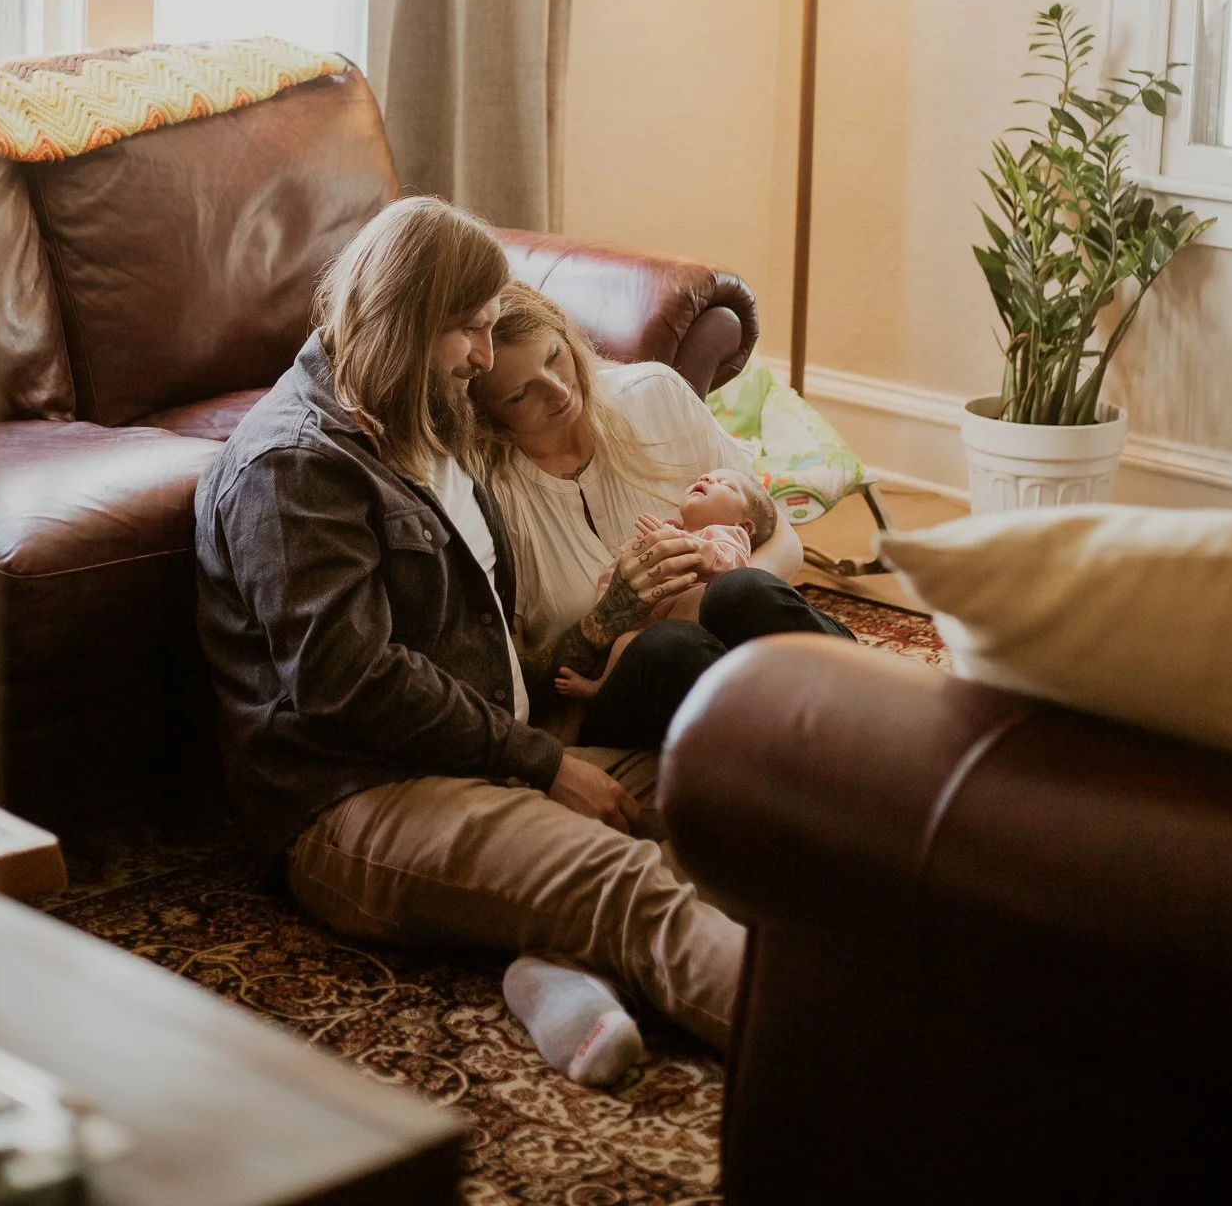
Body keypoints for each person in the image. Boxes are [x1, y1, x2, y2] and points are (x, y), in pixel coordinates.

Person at [193, 197, 744, 1089]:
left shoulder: (428, 428)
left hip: (481, 752)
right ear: (404, 321)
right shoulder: (292, 467)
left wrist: (595, 639)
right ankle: (852, 1058)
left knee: (735, 798)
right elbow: (347, 680)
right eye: (469, 332)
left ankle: (559, 971)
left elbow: (473, 643)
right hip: (356, 798)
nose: (484, 360)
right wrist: (540, 763)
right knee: (628, 883)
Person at [471, 282, 855, 749]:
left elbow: (783, 539)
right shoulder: (487, 493)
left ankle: (871, 715)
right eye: (519, 395)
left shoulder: (654, 394)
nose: (558, 391)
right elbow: (506, 682)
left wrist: (714, 584)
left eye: (555, 357)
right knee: (669, 647)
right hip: (618, 696)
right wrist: (609, 616)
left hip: (731, 647)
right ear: (486, 414)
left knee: (740, 591)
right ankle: (822, 755)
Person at [553, 467, 775, 705]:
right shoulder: (663, 530)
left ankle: (599, 691)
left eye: (726, 484)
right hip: (649, 632)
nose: (707, 478)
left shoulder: (726, 535)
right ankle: (594, 697)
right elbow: (617, 573)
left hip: (694, 630)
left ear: (744, 525)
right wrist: (608, 600)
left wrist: (682, 544)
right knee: (623, 643)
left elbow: (731, 567)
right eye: (705, 476)